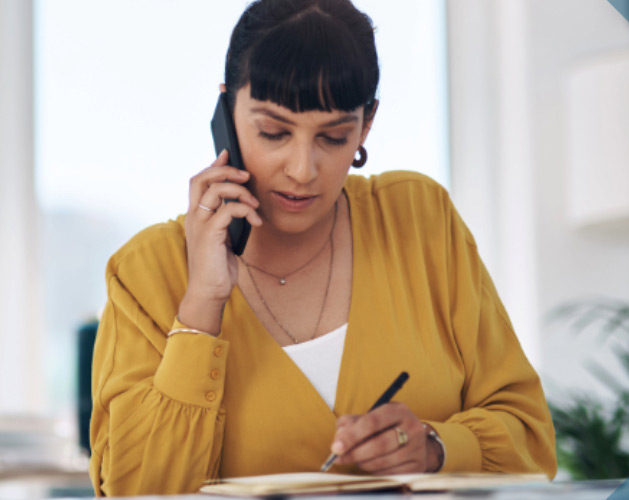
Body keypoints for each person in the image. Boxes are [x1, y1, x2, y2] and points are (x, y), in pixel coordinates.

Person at [87, 0, 556, 495]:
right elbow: (134, 490)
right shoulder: (145, 273)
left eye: (333, 137)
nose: (302, 169)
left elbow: (530, 439)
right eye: (273, 132)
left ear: (366, 125)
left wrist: (436, 447)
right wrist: (201, 306)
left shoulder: (421, 220)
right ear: (226, 111)